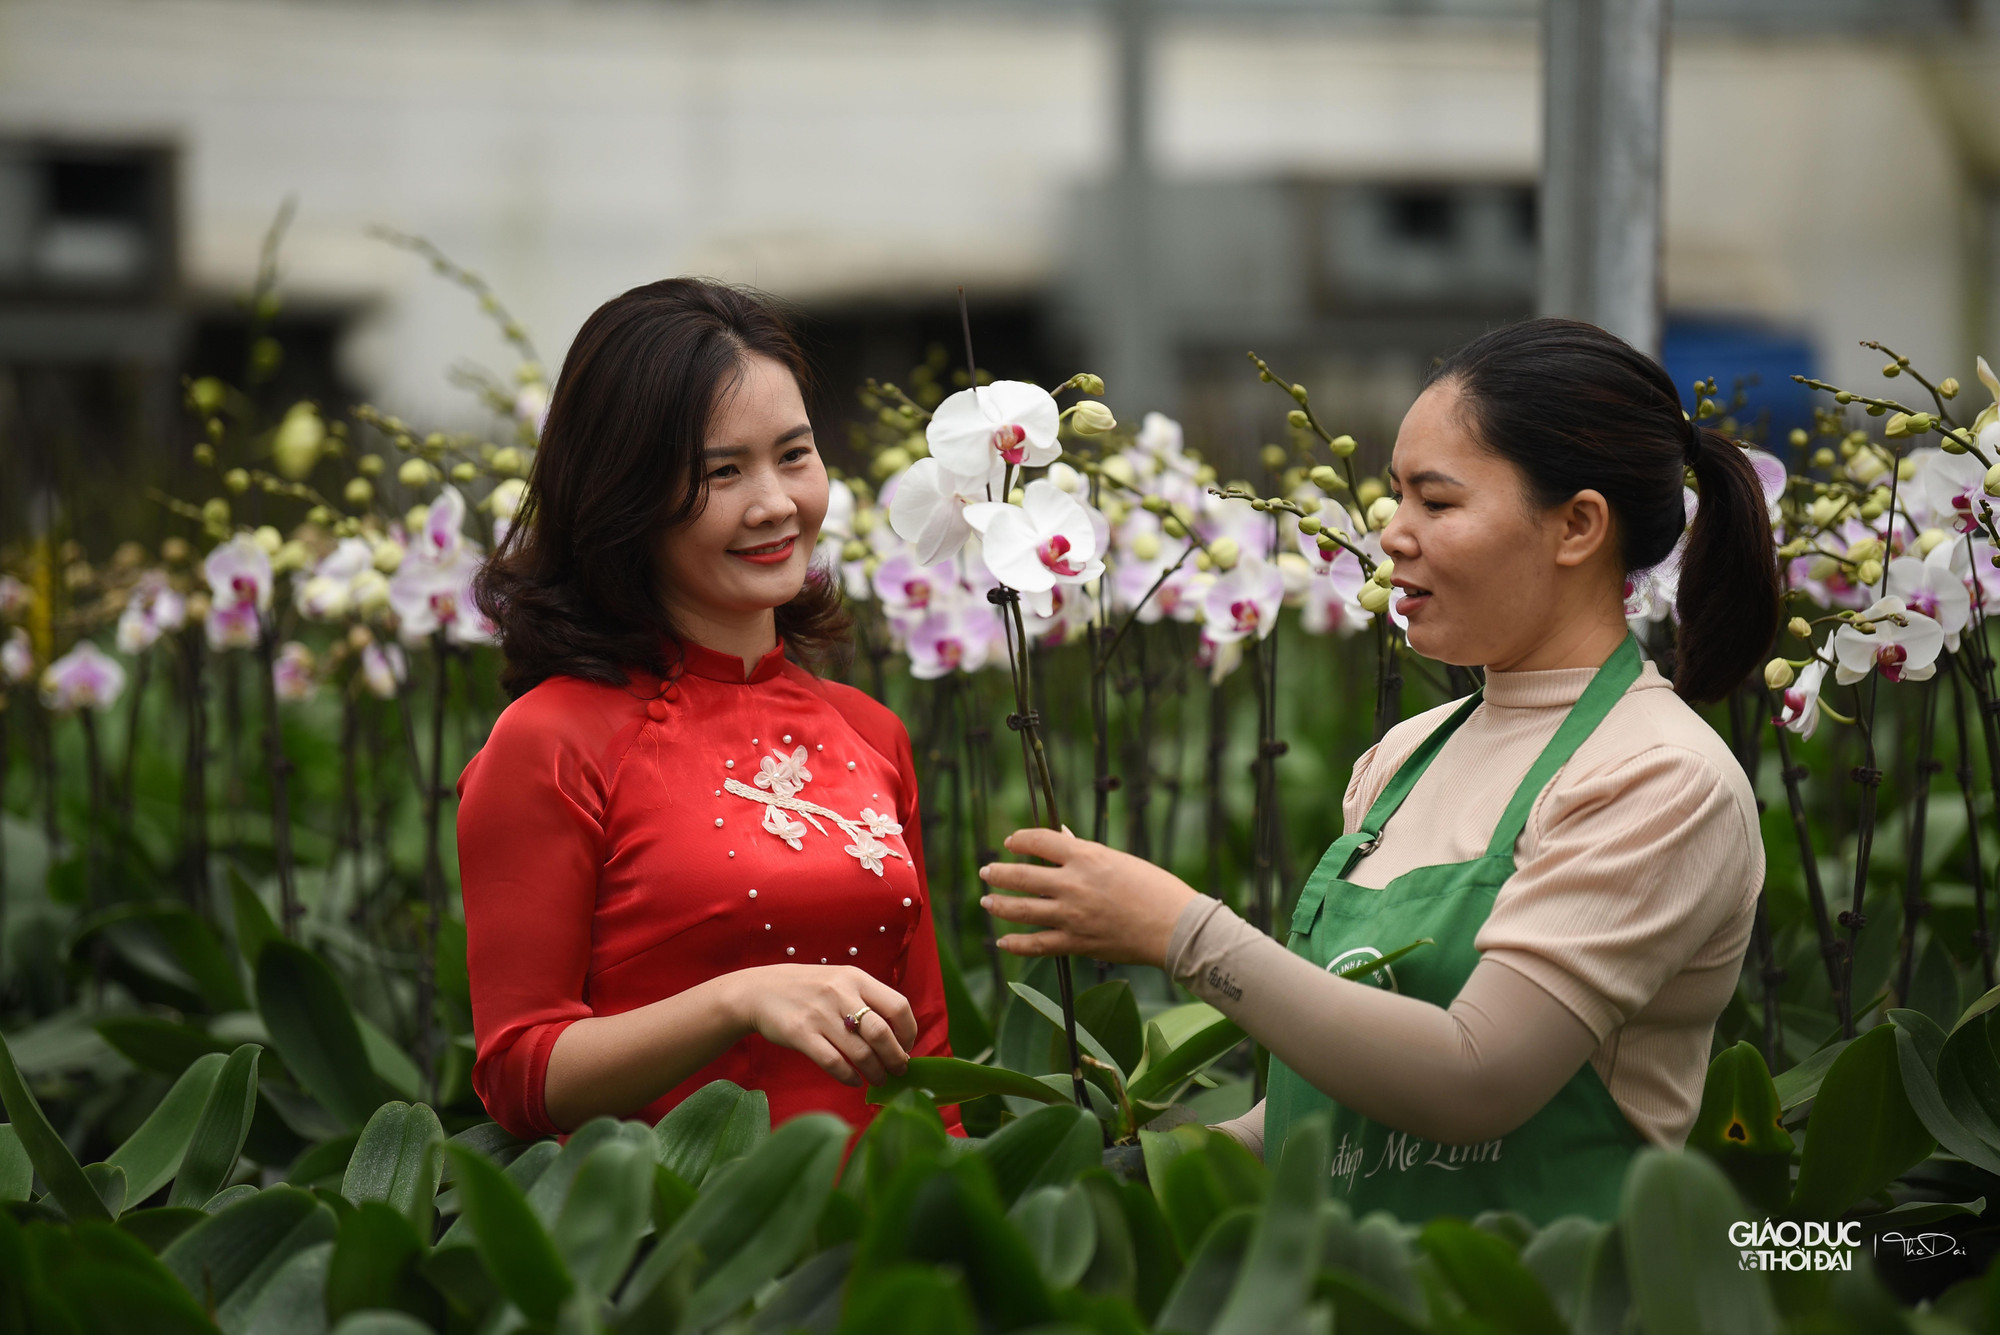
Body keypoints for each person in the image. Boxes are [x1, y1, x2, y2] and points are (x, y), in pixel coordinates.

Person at [979, 317, 1777, 1222]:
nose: (1392, 534)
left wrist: (1184, 934)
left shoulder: (1662, 778)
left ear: (1578, 525)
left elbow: (1478, 1075)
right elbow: (1327, 1114)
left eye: (1436, 503)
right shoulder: (1403, 755)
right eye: (1396, 497)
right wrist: (1142, 1170)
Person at [458, 278, 958, 1142]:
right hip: (679, 1248)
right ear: (623, 497)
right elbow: (519, 1072)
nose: (774, 503)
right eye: (720, 472)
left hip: (880, 1247)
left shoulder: (872, 735)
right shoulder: (550, 741)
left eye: (794, 455)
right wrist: (737, 999)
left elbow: (928, 1066)